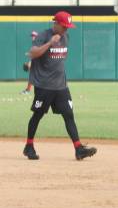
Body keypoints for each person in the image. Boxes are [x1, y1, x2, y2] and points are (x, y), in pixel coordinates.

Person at [23, 12, 97, 161]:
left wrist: (64, 80)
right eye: (64, 26)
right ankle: (29, 146)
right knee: (37, 115)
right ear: (55, 23)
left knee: (69, 115)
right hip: (44, 86)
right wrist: (49, 43)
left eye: (68, 27)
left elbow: (59, 62)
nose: (66, 29)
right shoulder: (44, 36)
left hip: (61, 86)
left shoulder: (65, 37)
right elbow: (32, 53)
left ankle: (78, 149)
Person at [20, 30, 38, 95]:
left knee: (37, 76)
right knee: (32, 76)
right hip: (35, 61)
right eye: (32, 36)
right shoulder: (34, 43)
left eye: (34, 36)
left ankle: (28, 90)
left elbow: (37, 53)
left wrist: (29, 55)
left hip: (39, 62)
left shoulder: (37, 43)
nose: (32, 37)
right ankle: (28, 90)